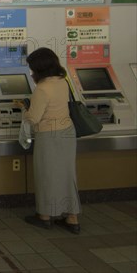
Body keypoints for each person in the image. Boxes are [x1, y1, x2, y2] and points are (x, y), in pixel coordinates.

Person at [20, 47, 81, 234]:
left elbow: (34, 118)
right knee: (67, 174)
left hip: (49, 135)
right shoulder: (62, 81)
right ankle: (72, 218)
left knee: (46, 175)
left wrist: (23, 109)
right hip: (67, 133)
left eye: (32, 68)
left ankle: (45, 216)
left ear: (40, 68)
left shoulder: (42, 88)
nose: (31, 72)